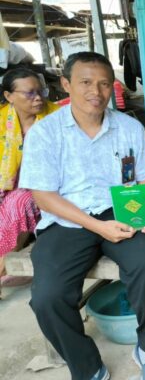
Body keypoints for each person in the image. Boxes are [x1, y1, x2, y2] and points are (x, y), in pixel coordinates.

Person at [19, 52, 145, 380]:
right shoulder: (45, 133)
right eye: (86, 82)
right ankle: (88, 367)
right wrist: (97, 227)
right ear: (65, 84)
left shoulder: (129, 127)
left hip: (122, 210)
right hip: (67, 220)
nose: (96, 92)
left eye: (104, 84)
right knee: (47, 297)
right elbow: (43, 196)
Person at [0, 68, 59, 286]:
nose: (38, 98)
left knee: (18, 204)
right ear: (9, 96)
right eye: (29, 93)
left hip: (45, 183)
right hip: (8, 182)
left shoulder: (57, 117)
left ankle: (4, 266)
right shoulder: (2, 120)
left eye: (41, 91)